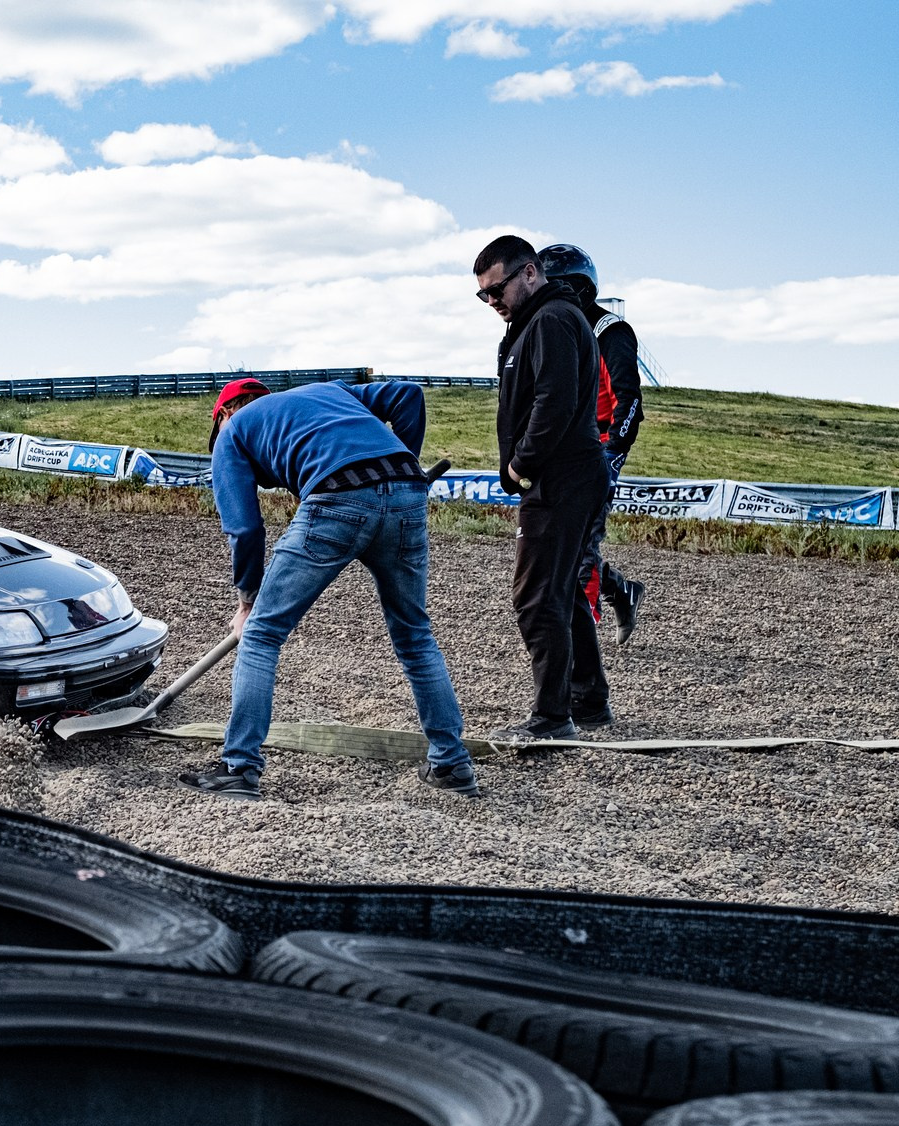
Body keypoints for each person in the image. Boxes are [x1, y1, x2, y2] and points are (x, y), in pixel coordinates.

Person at [181, 376, 476, 801]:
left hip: (336, 496)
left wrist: (247, 602)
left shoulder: (233, 433)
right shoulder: (325, 391)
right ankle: (451, 763)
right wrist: (404, 469)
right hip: (406, 494)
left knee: (262, 635)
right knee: (414, 634)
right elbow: (408, 395)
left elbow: (244, 529)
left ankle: (238, 768)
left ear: (224, 413)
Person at [473, 234, 610, 740]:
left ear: (530, 273)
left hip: (562, 475)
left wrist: (519, 465)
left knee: (535, 597)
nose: (492, 302)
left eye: (497, 289)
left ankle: (553, 717)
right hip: (568, 473)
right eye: (483, 295)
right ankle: (588, 698)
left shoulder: (551, 320)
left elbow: (553, 403)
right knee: (563, 588)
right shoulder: (539, 321)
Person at [539, 243, 649, 645]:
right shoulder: (554, 331)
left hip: (599, 449)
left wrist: (612, 453)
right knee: (557, 543)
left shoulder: (610, 332)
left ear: (581, 290)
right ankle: (622, 591)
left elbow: (629, 397)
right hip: (560, 450)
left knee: (580, 543)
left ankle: (579, 643)